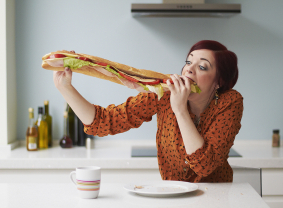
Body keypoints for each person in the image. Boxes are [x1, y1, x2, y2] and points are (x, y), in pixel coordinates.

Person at [53, 40, 243, 182]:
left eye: (202, 66)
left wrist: (180, 110)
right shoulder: (163, 94)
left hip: (217, 198)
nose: (188, 70)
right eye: (188, 62)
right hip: (173, 197)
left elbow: (204, 165)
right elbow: (103, 122)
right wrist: (65, 88)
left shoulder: (230, 102)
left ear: (218, 82)